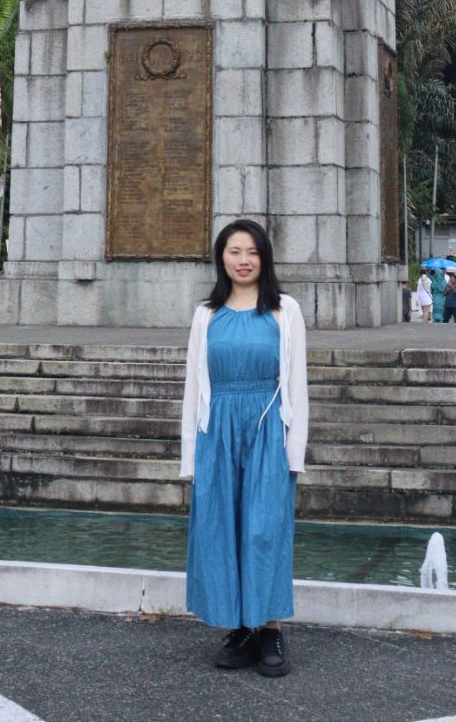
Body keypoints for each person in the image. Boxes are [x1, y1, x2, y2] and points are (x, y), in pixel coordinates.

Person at [182, 219, 307, 679]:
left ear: (264, 257)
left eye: (252, 252)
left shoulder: (284, 310)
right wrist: (190, 456)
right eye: (234, 251)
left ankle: (269, 628)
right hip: (217, 433)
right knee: (221, 529)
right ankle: (239, 628)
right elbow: (194, 388)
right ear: (221, 258)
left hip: (266, 431)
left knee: (263, 529)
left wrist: (294, 451)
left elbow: (297, 385)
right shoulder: (206, 314)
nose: (243, 260)